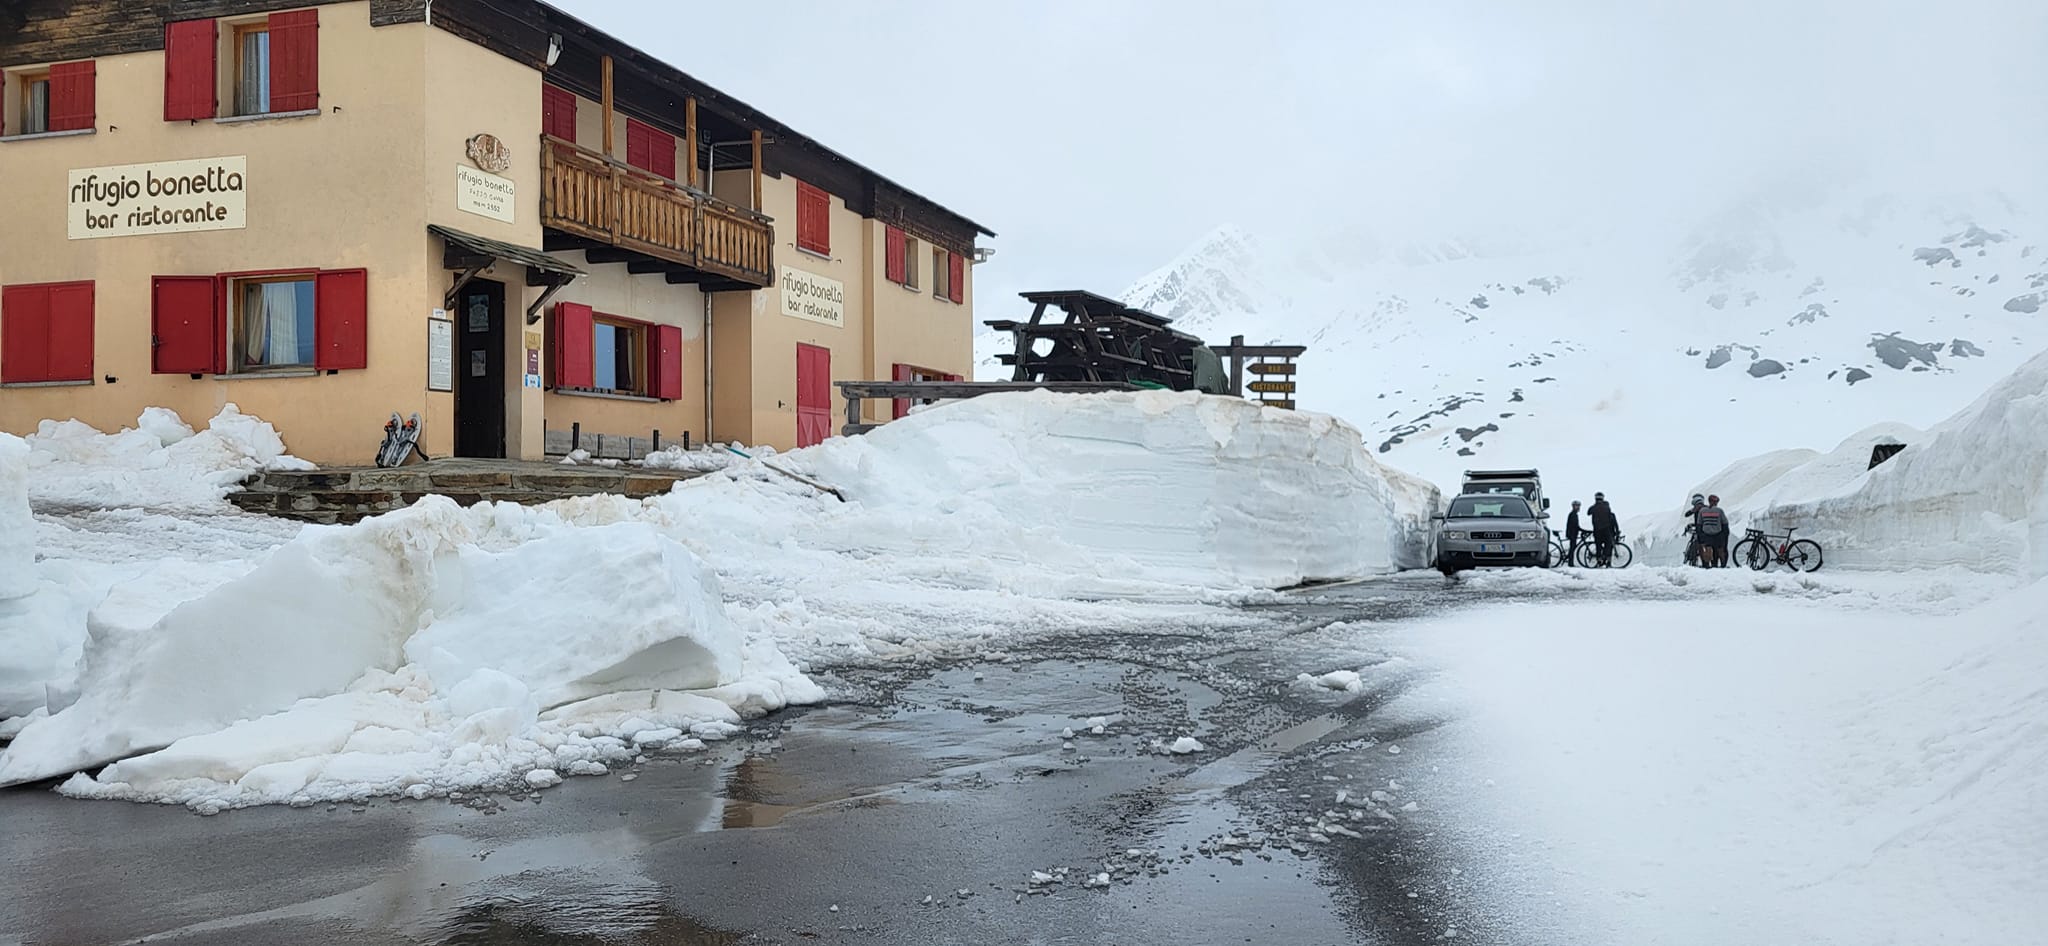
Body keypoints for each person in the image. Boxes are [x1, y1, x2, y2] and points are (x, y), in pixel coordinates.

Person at [1698, 494, 1731, 567]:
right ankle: (1721, 566)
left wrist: (1701, 536)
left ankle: (1707, 566)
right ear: (1715, 502)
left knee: (1708, 551)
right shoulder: (1719, 511)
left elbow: (1699, 524)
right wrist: (1725, 534)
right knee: (1719, 551)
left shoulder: (1702, 511)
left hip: (1706, 535)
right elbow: (1725, 523)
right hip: (1718, 535)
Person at [1589, 492, 1619, 565]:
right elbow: (1614, 522)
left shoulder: (1594, 507)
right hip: (1607, 530)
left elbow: (1588, 512)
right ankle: (1607, 560)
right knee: (1608, 546)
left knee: (1598, 545)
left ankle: (1599, 560)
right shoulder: (1607, 508)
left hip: (1597, 530)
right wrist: (1617, 531)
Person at [1683, 494, 1706, 567]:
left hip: (1699, 529)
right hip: (1707, 529)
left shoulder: (1696, 508)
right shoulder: (1707, 507)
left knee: (1698, 543)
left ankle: (1695, 557)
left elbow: (1687, 514)